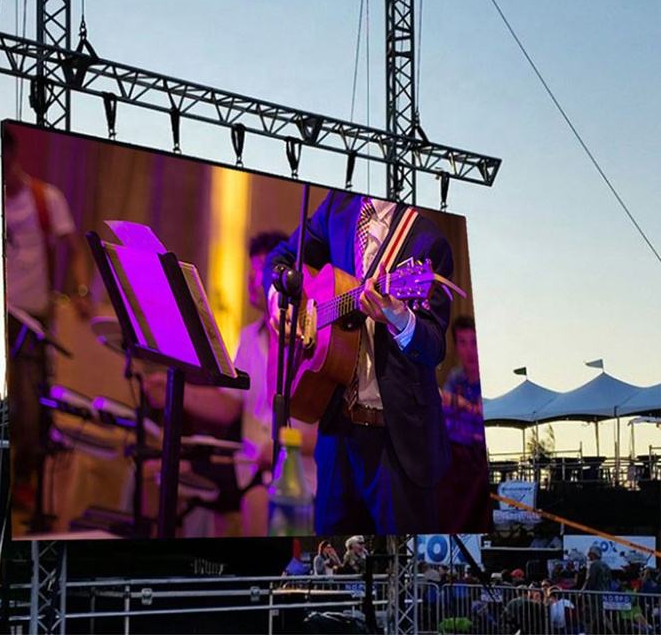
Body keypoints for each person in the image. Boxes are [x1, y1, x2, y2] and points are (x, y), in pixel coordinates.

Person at [265, 190, 453, 533]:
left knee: (400, 552)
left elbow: (435, 347)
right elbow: (283, 257)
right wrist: (279, 296)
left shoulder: (428, 240)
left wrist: (400, 318)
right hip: (336, 429)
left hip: (398, 440)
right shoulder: (338, 207)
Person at [145, 231, 316, 536]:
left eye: (260, 270)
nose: (252, 279)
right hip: (246, 466)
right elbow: (229, 405)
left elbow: (326, 429)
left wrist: (284, 447)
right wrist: (174, 393)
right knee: (156, 473)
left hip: (296, 470)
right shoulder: (249, 336)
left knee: (256, 501)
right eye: (252, 270)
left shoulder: (311, 338)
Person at [3, 130, 93, 509]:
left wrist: (81, 291)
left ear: (12, 156)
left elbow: (75, 248)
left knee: (28, 403)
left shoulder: (45, 199)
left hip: (33, 317)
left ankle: (24, 482)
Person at [437, 315, 489, 531]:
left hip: (475, 460)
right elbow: (443, 409)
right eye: (462, 342)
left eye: (474, 342)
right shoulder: (456, 377)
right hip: (455, 456)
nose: (469, 351)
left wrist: (460, 407)